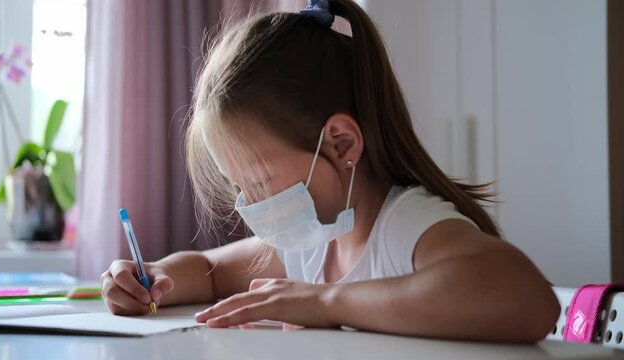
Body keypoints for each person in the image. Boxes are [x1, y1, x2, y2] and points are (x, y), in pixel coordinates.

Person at [100, 0, 560, 342]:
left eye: (259, 183)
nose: (250, 206)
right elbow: (209, 270)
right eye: (240, 188)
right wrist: (151, 277)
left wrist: (323, 302)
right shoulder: (313, 240)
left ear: (341, 144)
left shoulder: (404, 226)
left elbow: (530, 302)